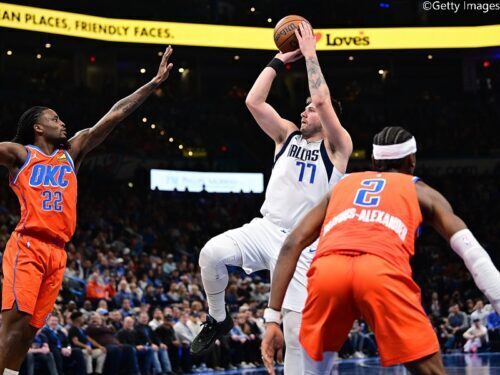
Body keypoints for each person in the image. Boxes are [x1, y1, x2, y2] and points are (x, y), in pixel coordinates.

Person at [262, 126, 500, 374]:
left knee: (312, 371)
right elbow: (472, 253)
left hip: (327, 273)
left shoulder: (341, 186)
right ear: (412, 160)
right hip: (380, 271)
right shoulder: (422, 191)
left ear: (374, 161)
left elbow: (292, 244)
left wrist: (272, 318)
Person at [0, 46, 174, 375]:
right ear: (37, 127)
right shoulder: (20, 155)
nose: (61, 123)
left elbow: (115, 114)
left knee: (29, 329)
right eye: (54, 118)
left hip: (58, 252)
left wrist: (153, 83)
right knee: (13, 322)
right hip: (29, 244)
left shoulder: (73, 152)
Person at [192, 22, 353, 375]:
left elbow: (323, 100)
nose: (304, 111)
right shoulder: (286, 136)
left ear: (328, 119)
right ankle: (218, 318)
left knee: (295, 333)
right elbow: (253, 101)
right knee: (211, 254)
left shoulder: (337, 147)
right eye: (305, 108)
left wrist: (311, 55)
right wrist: (278, 61)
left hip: (304, 244)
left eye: (310, 109)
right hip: (265, 228)